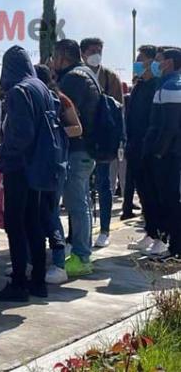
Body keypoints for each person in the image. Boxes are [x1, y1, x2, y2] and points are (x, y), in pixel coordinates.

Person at [0, 46, 59, 302]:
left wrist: (3, 154)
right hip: (39, 166)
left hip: (20, 167)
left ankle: (18, 283)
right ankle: (37, 281)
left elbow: (21, 134)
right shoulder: (41, 88)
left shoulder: (18, 91)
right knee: (34, 223)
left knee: (15, 225)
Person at [54, 39, 100, 277]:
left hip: (76, 148)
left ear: (63, 56)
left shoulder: (73, 78)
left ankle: (82, 256)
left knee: (77, 204)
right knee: (80, 202)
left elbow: (63, 113)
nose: (53, 62)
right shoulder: (88, 74)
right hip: (87, 148)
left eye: (54, 57)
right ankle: (82, 252)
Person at [35, 64, 82, 285]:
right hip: (38, 164)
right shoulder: (34, 100)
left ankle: (59, 263)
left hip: (55, 163)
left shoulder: (60, 100)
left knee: (51, 213)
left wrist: (53, 132)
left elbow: (77, 128)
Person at [80, 37, 124, 248]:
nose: (96, 54)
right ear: (82, 53)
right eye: (92, 50)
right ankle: (82, 230)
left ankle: (104, 229)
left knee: (103, 184)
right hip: (81, 140)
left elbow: (118, 112)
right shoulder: (78, 75)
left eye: (99, 50)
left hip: (103, 141)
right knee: (82, 187)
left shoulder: (110, 77)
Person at [142, 47, 181, 261]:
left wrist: (159, 153)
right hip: (169, 155)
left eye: (159, 60)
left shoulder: (173, 86)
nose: (156, 64)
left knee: (170, 201)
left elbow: (170, 127)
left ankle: (176, 249)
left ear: (170, 63)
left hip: (169, 157)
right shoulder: (167, 84)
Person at [123, 45, 158, 225]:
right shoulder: (139, 85)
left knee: (152, 192)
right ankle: (150, 231)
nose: (137, 63)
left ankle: (158, 235)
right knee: (142, 191)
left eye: (140, 59)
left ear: (152, 61)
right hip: (134, 146)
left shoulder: (156, 86)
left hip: (148, 147)